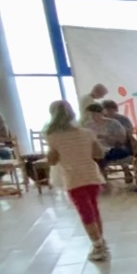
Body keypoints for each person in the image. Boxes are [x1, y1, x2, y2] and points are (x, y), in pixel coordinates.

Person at [43, 100, 108, 261]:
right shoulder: (87, 133)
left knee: (85, 212)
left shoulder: (52, 137)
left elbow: (52, 160)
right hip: (92, 175)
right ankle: (100, 240)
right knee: (93, 209)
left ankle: (97, 246)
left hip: (73, 178)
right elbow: (99, 154)